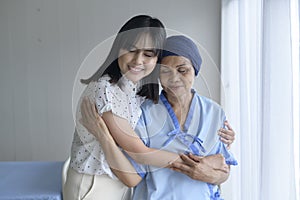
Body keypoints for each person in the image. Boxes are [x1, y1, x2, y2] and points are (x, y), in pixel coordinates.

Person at [64, 15, 234, 200]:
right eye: (131, 50)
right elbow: (137, 162)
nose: (138, 60)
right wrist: (196, 165)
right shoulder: (109, 93)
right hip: (96, 184)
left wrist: (216, 166)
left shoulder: (135, 93)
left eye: (148, 54)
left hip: (121, 186)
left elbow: (223, 168)